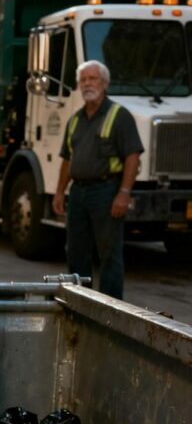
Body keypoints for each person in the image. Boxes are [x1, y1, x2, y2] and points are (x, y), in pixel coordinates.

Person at [52, 60, 143, 299]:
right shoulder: (75, 120)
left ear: (105, 83)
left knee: (109, 253)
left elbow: (133, 156)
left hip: (107, 191)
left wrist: (124, 193)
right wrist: (60, 192)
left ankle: (110, 308)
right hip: (78, 193)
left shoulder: (119, 116)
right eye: (83, 80)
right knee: (76, 252)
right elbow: (67, 159)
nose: (87, 84)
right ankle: (80, 303)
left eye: (92, 78)